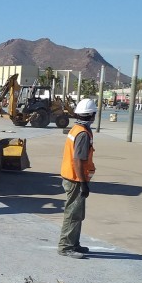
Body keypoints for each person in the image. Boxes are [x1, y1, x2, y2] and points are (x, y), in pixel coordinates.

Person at [57, 98, 97, 258]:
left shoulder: (76, 129)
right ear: (91, 115)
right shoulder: (83, 134)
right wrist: (83, 183)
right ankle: (66, 247)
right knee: (73, 213)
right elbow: (78, 160)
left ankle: (74, 243)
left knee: (77, 212)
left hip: (71, 176)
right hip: (75, 178)